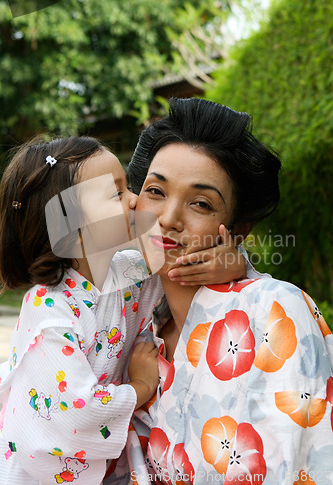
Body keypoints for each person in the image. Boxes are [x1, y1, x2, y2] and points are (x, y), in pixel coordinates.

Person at [108, 98, 333, 485]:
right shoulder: (130, 320)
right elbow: (50, 241)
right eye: (156, 191)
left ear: (237, 229)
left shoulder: (276, 308)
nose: (167, 219)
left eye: (201, 203)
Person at [0, 136, 247, 484]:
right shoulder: (49, 308)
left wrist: (233, 262)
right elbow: (73, 410)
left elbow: (183, 264)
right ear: (69, 230)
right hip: (34, 472)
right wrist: (141, 386)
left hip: (98, 460)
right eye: (117, 194)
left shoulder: (128, 271)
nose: (135, 200)